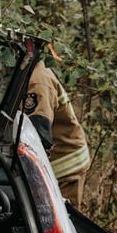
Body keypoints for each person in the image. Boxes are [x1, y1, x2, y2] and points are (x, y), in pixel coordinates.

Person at [23, 56, 91, 208]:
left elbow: (37, 136)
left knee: (62, 217)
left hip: (65, 166)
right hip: (60, 160)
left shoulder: (36, 81)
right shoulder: (28, 74)